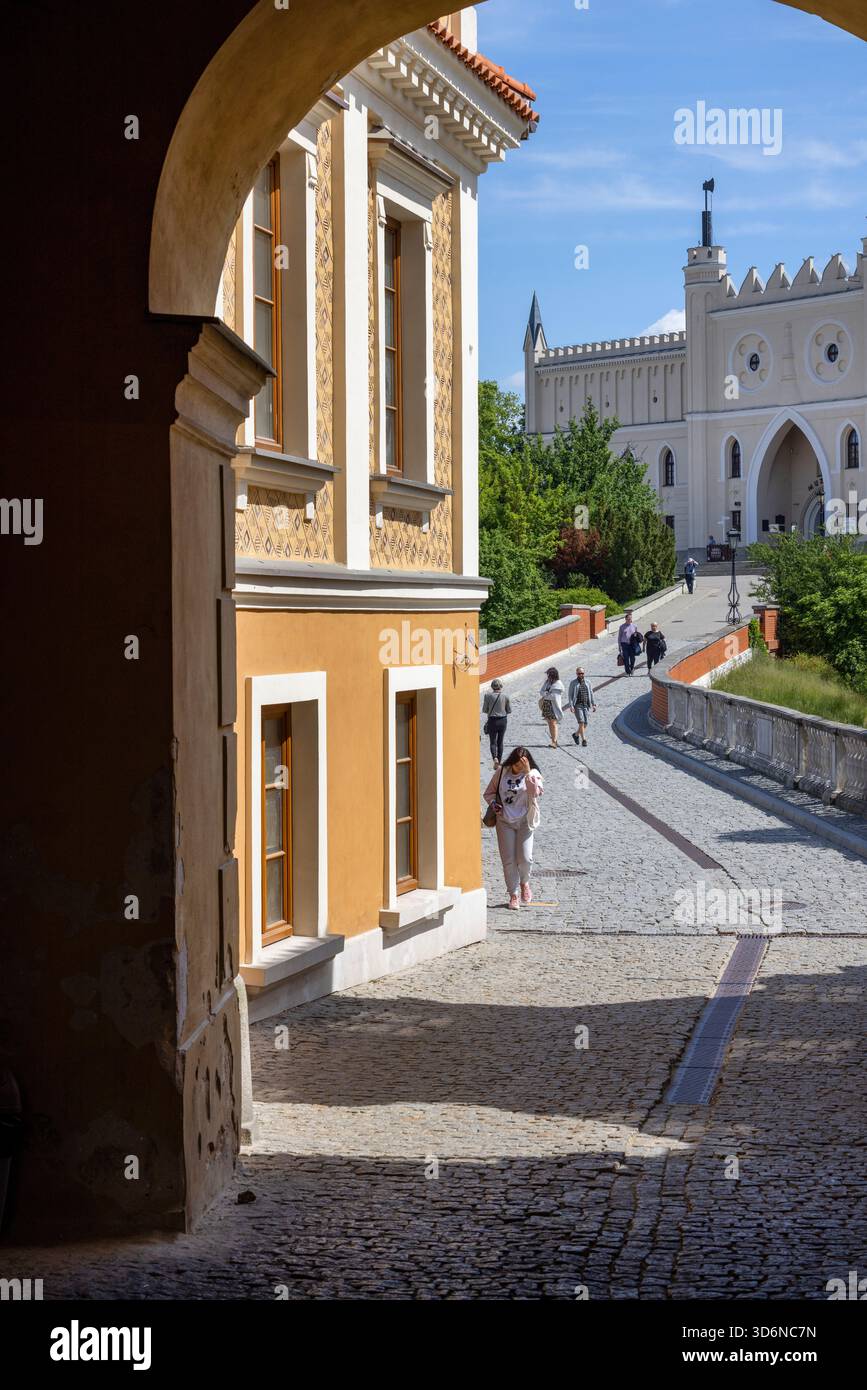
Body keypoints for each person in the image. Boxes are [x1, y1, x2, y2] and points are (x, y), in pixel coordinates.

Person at [483, 746, 543, 910]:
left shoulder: (533, 774)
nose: (517, 769)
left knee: (525, 858)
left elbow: (536, 792)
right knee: (508, 860)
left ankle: (524, 883)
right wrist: (494, 804)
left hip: (525, 821)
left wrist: (528, 771)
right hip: (504, 821)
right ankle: (513, 894)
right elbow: (488, 793)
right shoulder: (503, 771)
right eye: (516, 765)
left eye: (521, 765)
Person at [481, 679, 511, 767]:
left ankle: (495, 758)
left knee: (492, 741)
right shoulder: (506, 696)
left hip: (492, 720)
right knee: (500, 741)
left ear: (492, 687)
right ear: (501, 686)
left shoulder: (487, 696)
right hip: (502, 720)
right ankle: (499, 761)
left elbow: (484, 710)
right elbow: (509, 710)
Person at [567, 665, 597, 746]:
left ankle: (576, 735)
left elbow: (591, 693)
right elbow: (570, 695)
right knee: (581, 722)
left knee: (585, 723)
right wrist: (571, 706)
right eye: (579, 673)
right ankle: (584, 740)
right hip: (578, 705)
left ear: (584, 673)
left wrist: (593, 704)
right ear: (576, 674)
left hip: (586, 705)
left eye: (582, 673)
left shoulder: (588, 682)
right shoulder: (573, 683)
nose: (581, 675)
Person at [539, 667, 565, 747]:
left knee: (553, 723)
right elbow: (541, 691)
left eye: (549, 675)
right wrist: (547, 693)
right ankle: (553, 740)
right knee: (549, 723)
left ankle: (554, 741)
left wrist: (545, 694)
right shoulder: (548, 682)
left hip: (554, 707)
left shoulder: (558, 684)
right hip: (547, 706)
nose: (548, 676)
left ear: (553, 675)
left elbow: (553, 696)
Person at [617, 611, 643, 676]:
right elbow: (619, 637)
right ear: (625, 619)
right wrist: (619, 646)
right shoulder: (622, 627)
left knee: (632, 658)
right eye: (628, 619)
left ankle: (632, 668)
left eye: (630, 619)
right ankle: (627, 671)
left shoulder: (634, 626)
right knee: (626, 658)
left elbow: (637, 635)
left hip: (632, 644)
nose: (629, 620)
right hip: (624, 644)